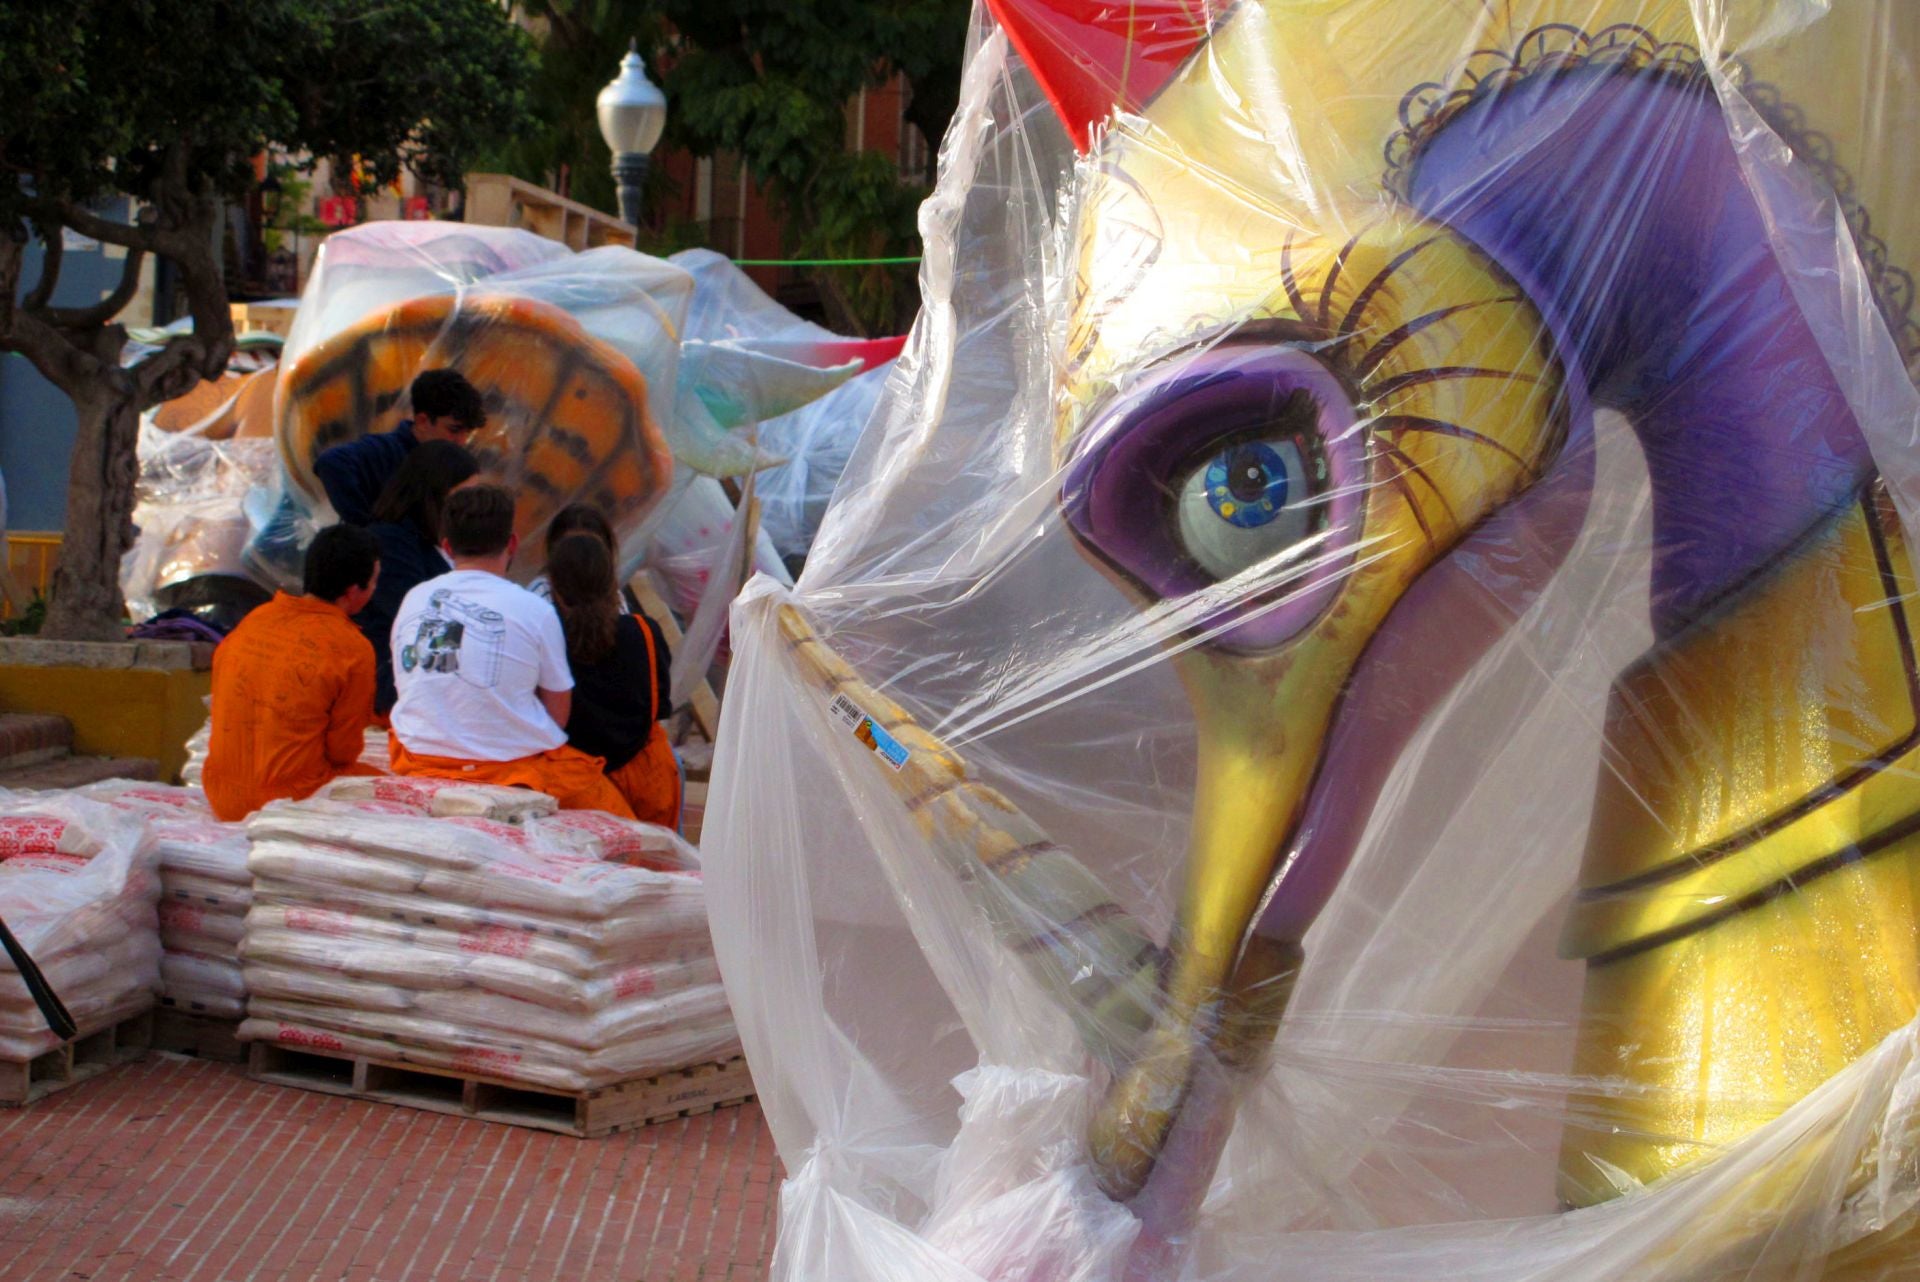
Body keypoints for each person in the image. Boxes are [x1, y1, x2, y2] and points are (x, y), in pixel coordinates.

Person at [386, 484, 635, 816]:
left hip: (418, 756)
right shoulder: (533, 609)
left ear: (446, 547)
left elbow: (417, 683)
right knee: (619, 818)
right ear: (512, 543)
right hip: (511, 769)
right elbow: (558, 713)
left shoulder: (415, 598)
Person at [203, 525, 382, 821]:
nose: (376, 589)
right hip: (289, 798)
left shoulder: (256, 618)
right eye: (374, 582)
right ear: (353, 592)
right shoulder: (352, 648)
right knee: (387, 784)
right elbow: (343, 753)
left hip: (220, 794)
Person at [547, 532, 682, 828]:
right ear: (612, 581)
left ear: (554, 587)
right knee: (660, 867)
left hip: (578, 787)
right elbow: (660, 707)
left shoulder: (546, 640)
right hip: (649, 780)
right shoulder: (643, 632)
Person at [358, 441, 480, 716]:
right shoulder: (391, 540)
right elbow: (415, 613)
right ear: (434, 493)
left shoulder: (439, 539)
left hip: (432, 671)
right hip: (398, 678)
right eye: (463, 496)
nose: (471, 507)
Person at [313, 368, 486, 526]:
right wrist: (368, 529)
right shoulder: (384, 451)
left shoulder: (453, 465)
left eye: (467, 433)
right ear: (423, 421)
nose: (461, 441)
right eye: (454, 430)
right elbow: (331, 462)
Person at [527, 502, 619, 604]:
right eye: (571, 552)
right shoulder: (541, 593)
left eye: (593, 551)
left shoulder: (614, 598)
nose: (582, 560)